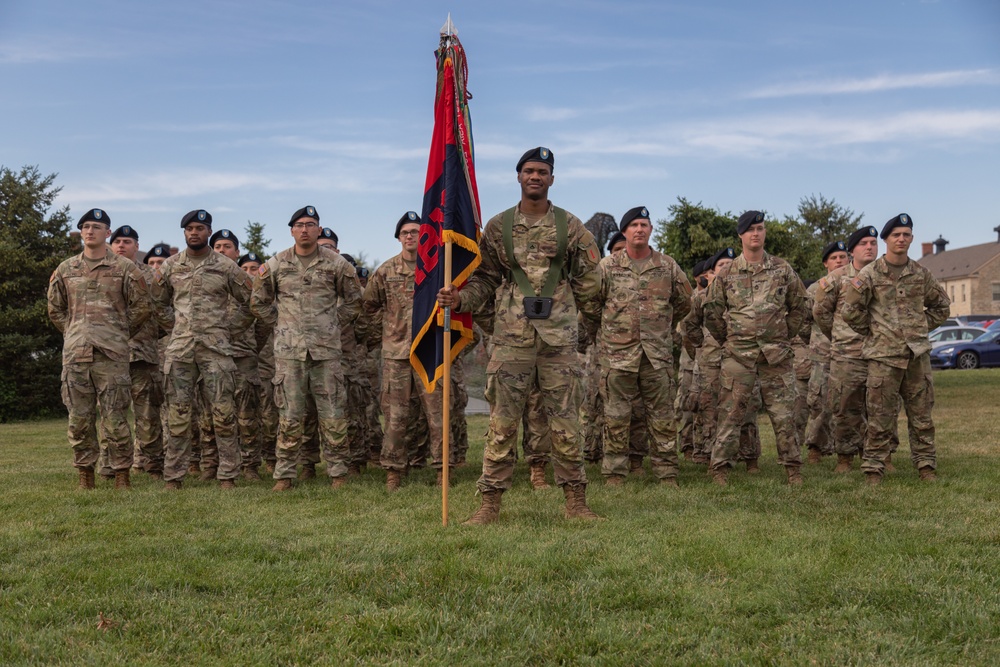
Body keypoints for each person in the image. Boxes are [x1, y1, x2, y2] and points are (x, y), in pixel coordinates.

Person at [437, 146, 603, 524]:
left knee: (566, 423)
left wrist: (576, 320)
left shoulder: (571, 226)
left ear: (552, 179)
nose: (535, 177)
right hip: (512, 340)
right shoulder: (498, 227)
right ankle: (489, 504)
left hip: (559, 342)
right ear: (518, 176)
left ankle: (576, 503)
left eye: (542, 172)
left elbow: (592, 283)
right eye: (529, 170)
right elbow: (485, 278)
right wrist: (460, 297)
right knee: (502, 423)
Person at [251, 206, 362, 491]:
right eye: (299, 225)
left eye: (310, 224)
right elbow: (258, 301)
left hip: (326, 352)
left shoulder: (336, 264)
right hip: (290, 354)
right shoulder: (276, 264)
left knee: (334, 414)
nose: (304, 230)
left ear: (318, 229)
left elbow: (354, 299)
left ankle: (338, 473)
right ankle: (285, 474)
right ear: (291, 230)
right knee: (289, 415)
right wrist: (280, 323)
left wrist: (334, 321)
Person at [702, 210, 809, 486]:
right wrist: (730, 339)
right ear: (740, 235)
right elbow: (712, 311)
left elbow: (800, 305)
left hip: (776, 355)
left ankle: (793, 469)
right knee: (731, 413)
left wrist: (784, 335)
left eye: (760, 228)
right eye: (750, 230)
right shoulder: (727, 273)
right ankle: (720, 469)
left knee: (784, 414)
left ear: (764, 233)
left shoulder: (782, 269)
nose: (756, 234)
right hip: (739, 354)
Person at [842, 214, 950, 484]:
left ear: (911, 238)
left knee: (922, 415)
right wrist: (875, 331)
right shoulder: (869, 274)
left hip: (916, 357)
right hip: (884, 358)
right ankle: (873, 469)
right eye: (896, 235)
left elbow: (942, 307)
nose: (901, 239)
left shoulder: (921, 273)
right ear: (886, 239)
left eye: (906, 234)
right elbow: (850, 310)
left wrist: (919, 326)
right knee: (880, 416)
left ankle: (926, 467)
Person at [47, 209, 151, 489]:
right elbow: (55, 309)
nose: (90, 230)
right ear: (81, 232)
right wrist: (73, 332)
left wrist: (119, 331)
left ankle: (121, 474)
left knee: (115, 418)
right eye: (86, 226)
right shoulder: (66, 269)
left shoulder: (125, 268)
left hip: (112, 355)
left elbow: (142, 307)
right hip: (76, 355)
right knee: (79, 419)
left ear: (108, 233)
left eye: (97, 226)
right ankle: (85, 473)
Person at [152, 209, 254, 490]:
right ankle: (174, 477)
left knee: (223, 414)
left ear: (209, 232)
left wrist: (228, 329)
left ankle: (228, 475)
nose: (194, 233)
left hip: (216, 351)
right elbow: (157, 302)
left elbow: (250, 301)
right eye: (189, 229)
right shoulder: (171, 266)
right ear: (184, 233)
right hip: (181, 350)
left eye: (200, 228)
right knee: (178, 414)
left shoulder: (226, 266)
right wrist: (175, 326)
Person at [596, 206, 691, 485]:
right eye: (634, 225)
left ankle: (667, 473)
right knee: (615, 417)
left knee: (662, 417)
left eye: (644, 224)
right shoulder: (607, 267)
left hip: (656, 356)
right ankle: (614, 473)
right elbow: (591, 304)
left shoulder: (667, 266)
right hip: (618, 355)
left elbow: (685, 302)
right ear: (624, 232)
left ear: (651, 230)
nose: (639, 229)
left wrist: (661, 325)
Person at [363, 212, 449, 490]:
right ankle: (394, 471)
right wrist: (387, 331)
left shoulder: (439, 270)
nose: (411, 236)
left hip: (430, 351)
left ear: (425, 235)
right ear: (398, 237)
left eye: (416, 231)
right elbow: (368, 308)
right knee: (395, 417)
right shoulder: (386, 271)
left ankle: (441, 470)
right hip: (396, 355)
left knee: (437, 416)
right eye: (406, 232)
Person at [813, 226, 887, 472]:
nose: (870, 247)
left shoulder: (885, 275)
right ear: (853, 249)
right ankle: (844, 457)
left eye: (873, 243)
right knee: (844, 407)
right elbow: (820, 312)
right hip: (847, 354)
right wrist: (838, 336)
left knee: (881, 407)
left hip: (880, 352)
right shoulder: (836, 278)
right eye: (864, 243)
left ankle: (880, 456)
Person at [108, 224, 164, 479]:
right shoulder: (100, 272)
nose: (121, 245)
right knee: (111, 413)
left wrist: (153, 337)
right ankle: (111, 465)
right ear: (111, 244)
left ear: (137, 246)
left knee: (148, 415)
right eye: (117, 241)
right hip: (108, 355)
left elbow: (164, 312)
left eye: (127, 241)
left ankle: (152, 466)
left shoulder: (151, 276)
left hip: (143, 353)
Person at [209, 229, 265, 481]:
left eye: (227, 246)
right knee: (212, 414)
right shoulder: (205, 278)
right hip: (210, 355)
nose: (222, 250)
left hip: (242, 354)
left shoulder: (249, 282)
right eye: (218, 246)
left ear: (237, 252)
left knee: (247, 413)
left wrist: (232, 334)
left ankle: (251, 466)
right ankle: (212, 464)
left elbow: (262, 318)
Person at [803, 241, 849, 463]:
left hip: (852, 352)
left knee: (853, 402)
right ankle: (816, 448)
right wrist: (815, 341)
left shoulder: (857, 284)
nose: (839, 261)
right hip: (822, 353)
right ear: (825, 263)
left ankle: (854, 448)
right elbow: (803, 322)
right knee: (819, 401)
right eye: (834, 258)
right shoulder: (814, 290)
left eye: (843, 257)